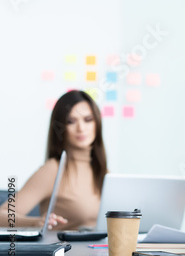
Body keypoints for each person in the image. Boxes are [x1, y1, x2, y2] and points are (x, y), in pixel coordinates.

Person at [0, 90, 107, 230]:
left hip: (99, 250)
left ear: (97, 123)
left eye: (88, 120)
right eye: (71, 121)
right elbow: (3, 214)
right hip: (67, 251)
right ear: (61, 127)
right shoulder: (53, 170)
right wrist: (35, 222)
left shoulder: (104, 173)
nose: (81, 128)